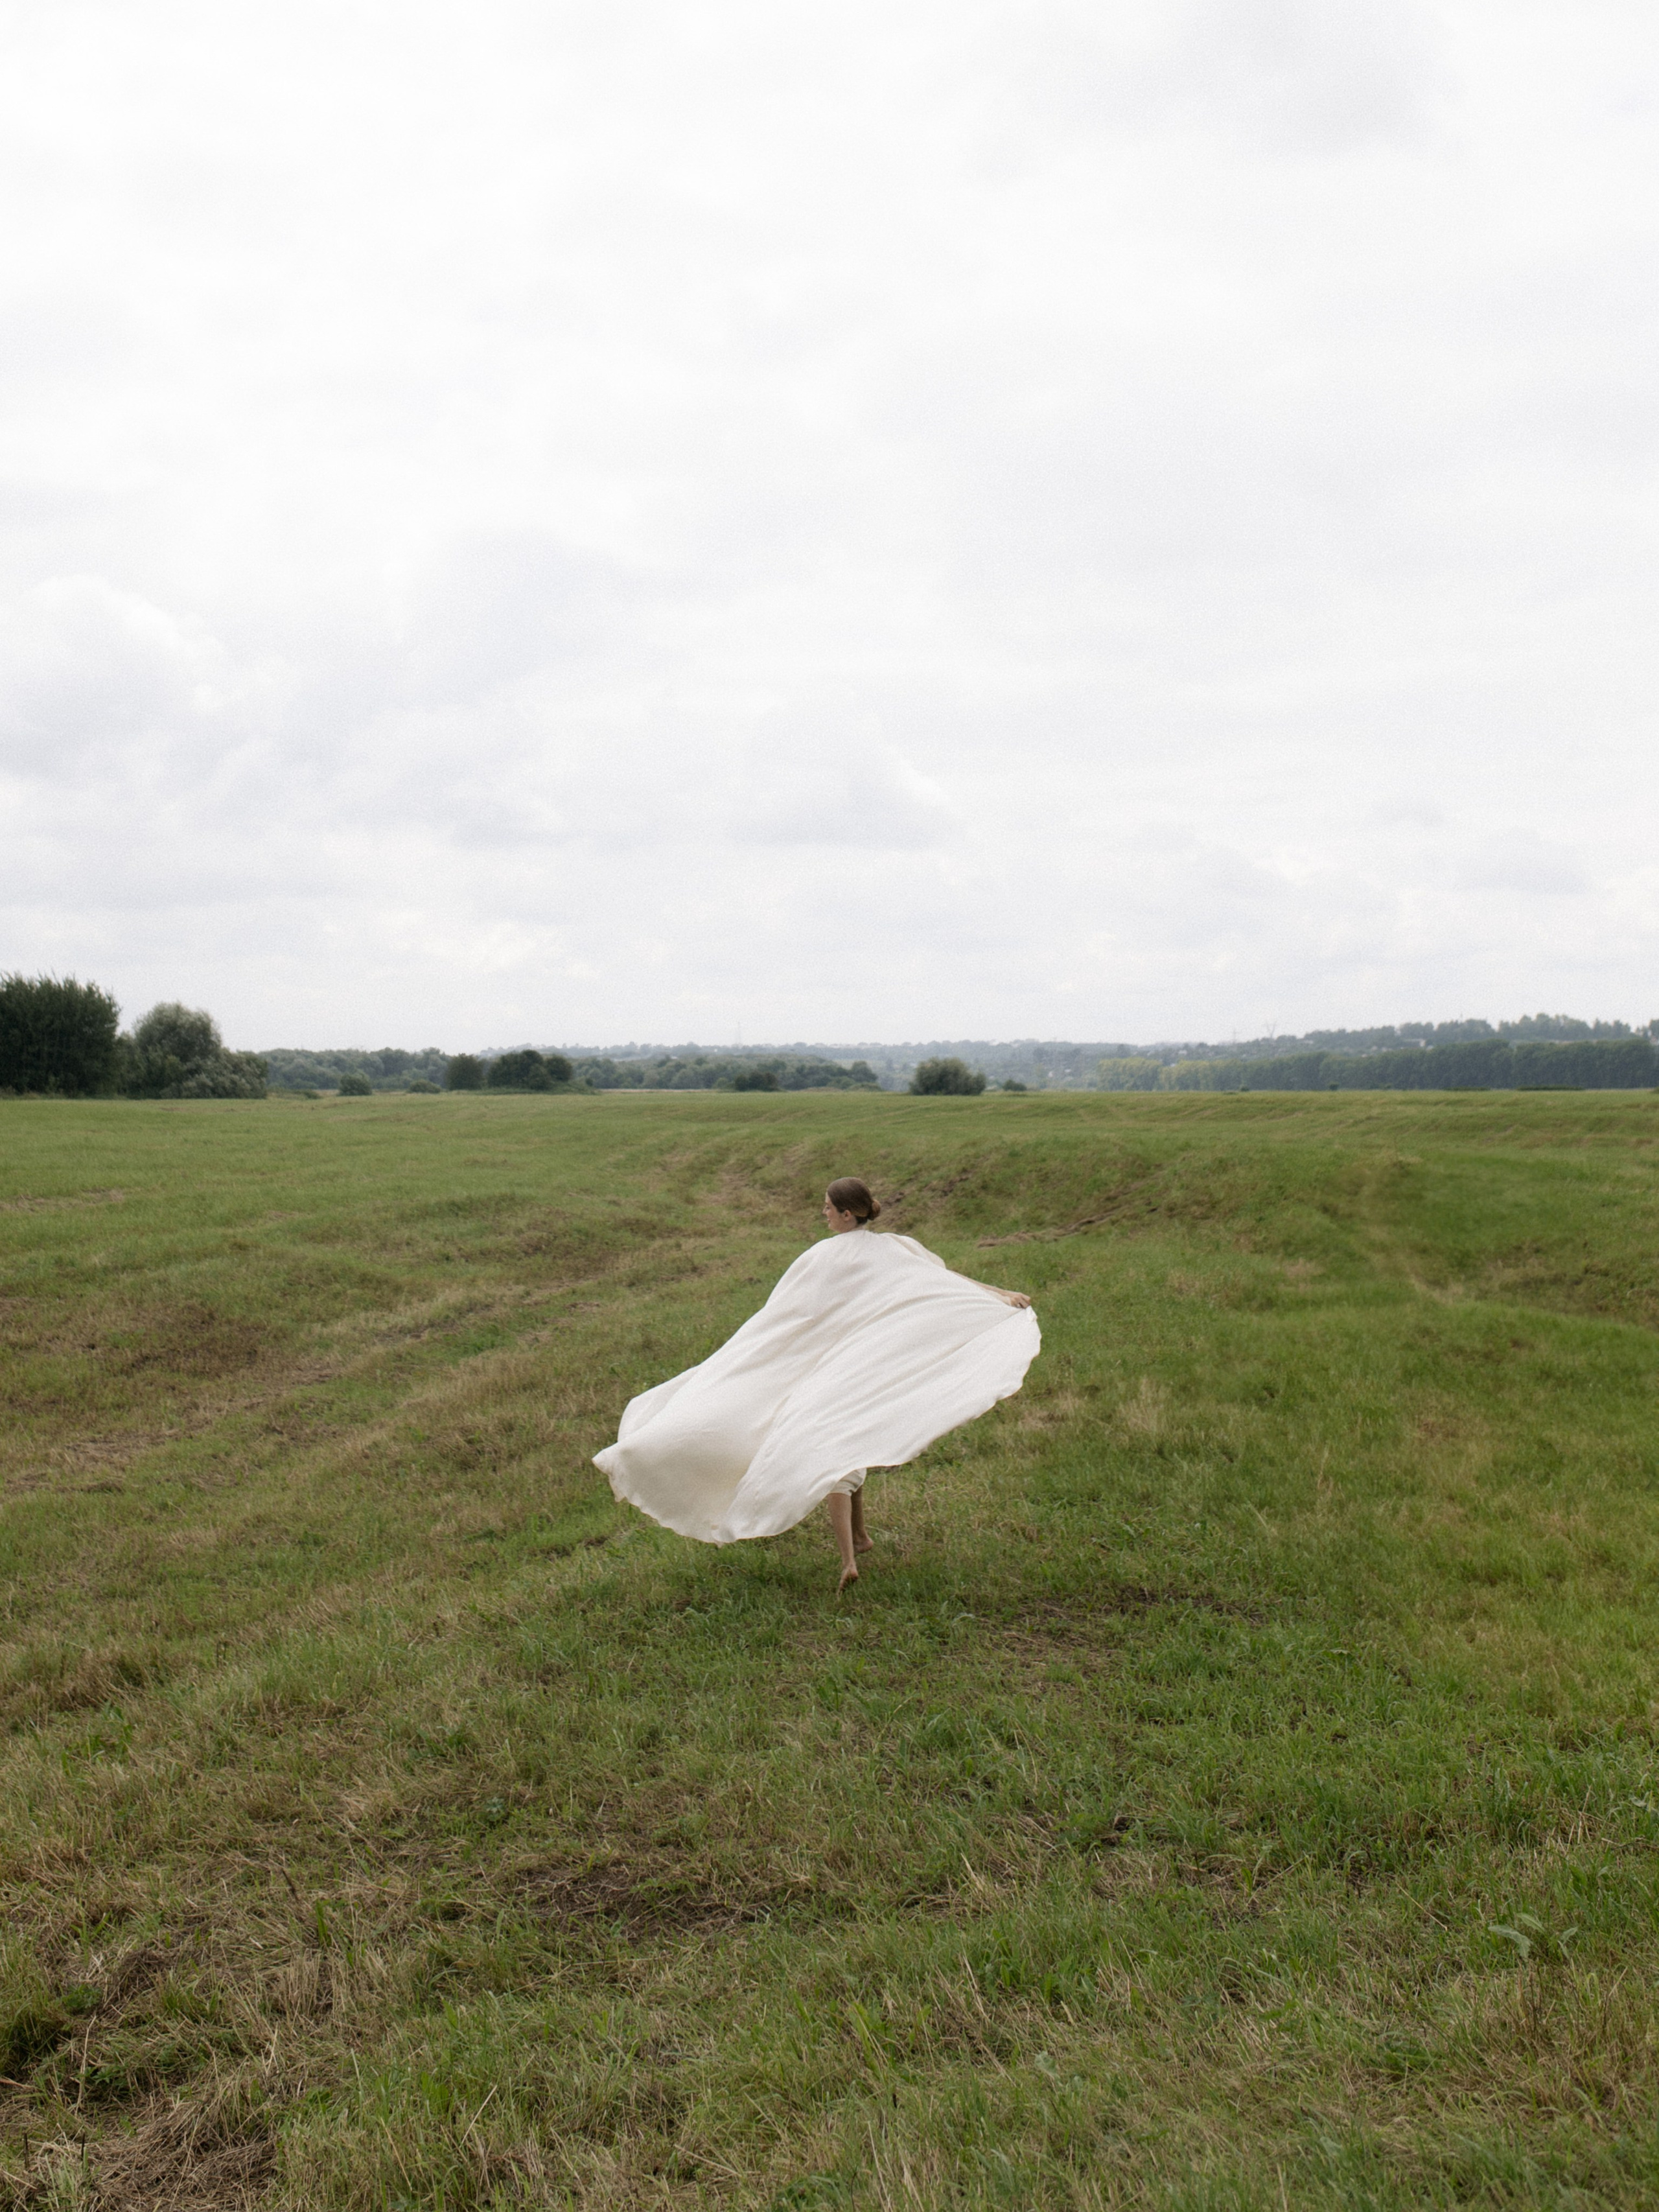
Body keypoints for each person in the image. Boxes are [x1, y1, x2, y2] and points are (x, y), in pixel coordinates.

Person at [594, 1176, 1039, 1589]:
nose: (822, 1213)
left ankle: (850, 1555)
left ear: (848, 1213)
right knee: (842, 1444)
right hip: (840, 1362)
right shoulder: (887, 1248)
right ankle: (858, 1539)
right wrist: (997, 1292)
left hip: (846, 1363)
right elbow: (794, 1315)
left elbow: (937, 1284)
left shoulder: (841, 1254)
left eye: (828, 1207)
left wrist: (998, 1297)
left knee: (826, 1444)